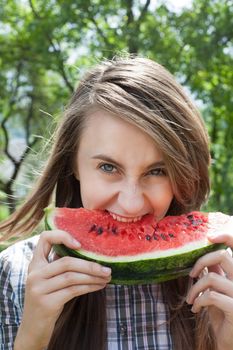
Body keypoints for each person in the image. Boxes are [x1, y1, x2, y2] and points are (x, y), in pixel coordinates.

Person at [0, 55, 232, 350]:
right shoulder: (15, 274)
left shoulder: (222, 279)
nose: (132, 203)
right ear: (74, 162)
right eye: (108, 167)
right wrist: (33, 335)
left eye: (157, 171)